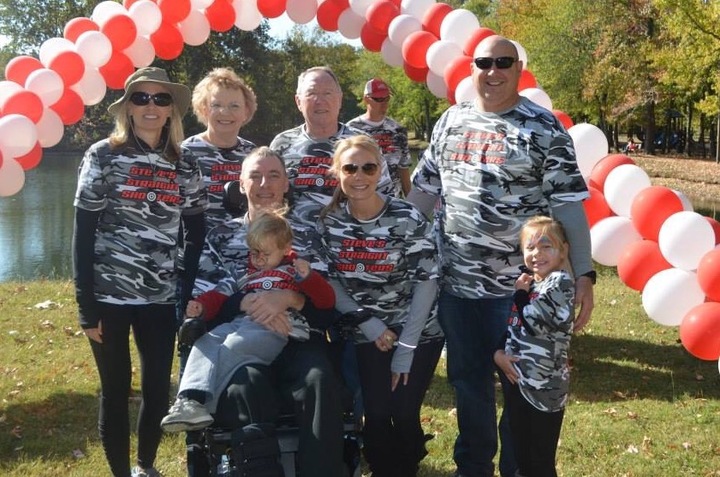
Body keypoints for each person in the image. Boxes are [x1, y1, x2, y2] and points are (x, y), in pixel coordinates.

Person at [406, 35, 595, 477]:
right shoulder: (450, 121)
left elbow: (568, 205)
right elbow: (423, 194)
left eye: (503, 62)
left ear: (518, 68)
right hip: (457, 288)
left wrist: (583, 273)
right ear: (472, 68)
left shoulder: (543, 126)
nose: (493, 72)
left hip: (520, 293)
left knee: (520, 391)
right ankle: (473, 468)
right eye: (484, 62)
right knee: (468, 386)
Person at [72, 67, 207, 477]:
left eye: (160, 99)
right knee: (114, 391)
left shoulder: (185, 164)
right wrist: (85, 305)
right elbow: (82, 232)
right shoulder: (103, 155)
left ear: (172, 111)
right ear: (127, 108)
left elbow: (196, 230)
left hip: (159, 299)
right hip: (108, 298)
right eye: (141, 98)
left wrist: (182, 288)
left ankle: (145, 466)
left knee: (155, 389)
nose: (151, 107)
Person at [186, 146, 348, 477]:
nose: (265, 183)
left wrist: (291, 299)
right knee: (246, 385)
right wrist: (242, 302)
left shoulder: (307, 235)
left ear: (287, 183)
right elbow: (203, 306)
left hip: (298, 337)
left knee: (319, 379)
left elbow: (328, 309)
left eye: (274, 175)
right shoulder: (220, 237)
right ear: (241, 185)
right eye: (255, 176)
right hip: (241, 338)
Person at [318, 135, 444, 477]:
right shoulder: (329, 224)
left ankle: (408, 463)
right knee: (374, 415)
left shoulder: (407, 216)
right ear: (337, 173)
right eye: (350, 168)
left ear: (381, 170)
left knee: (402, 413)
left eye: (368, 167)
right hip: (368, 331)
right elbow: (330, 282)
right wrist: (368, 323)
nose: (359, 175)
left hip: (419, 329)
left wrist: (405, 347)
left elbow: (427, 281)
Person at [161, 209, 335, 433]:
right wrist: (202, 305)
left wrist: (309, 279)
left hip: (275, 327)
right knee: (206, 343)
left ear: (285, 249)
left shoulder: (293, 273)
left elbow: (326, 301)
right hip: (239, 323)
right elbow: (220, 296)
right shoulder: (242, 273)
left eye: (266, 253)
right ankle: (188, 399)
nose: (259, 259)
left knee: (234, 345)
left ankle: (204, 404)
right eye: (254, 252)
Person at [493, 216, 575, 477]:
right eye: (530, 247)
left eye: (546, 246)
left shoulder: (559, 284)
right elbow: (513, 326)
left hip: (545, 389)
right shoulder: (533, 284)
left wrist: (519, 294)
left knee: (540, 460)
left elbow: (534, 321)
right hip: (519, 384)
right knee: (522, 455)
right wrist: (498, 354)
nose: (537, 253)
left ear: (563, 251)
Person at [269, 65, 393, 228]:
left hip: (349, 244)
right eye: (312, 93)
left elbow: (384, 196)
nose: (320, 101)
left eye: (327, 93)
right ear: (298, 102)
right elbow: (269, 201)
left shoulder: (363, 144)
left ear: (340, 99)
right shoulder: (282, 144)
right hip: (295, 247)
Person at [183, 67, 258, 229]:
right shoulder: (185, 153)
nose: (225, 112)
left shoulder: (253, 156)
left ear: (246, 111)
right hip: (198, 249)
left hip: (244, 247)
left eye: (234, 106)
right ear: (204, 109)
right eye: (216, 105)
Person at [347, 78, 412, 197]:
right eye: (379, 99)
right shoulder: (350, 130)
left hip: (393, 202)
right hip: (361, 200)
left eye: (387, 99)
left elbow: (404, 170)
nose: (384, 104)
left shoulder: (398, 130)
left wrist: (413, 205)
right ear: (366, 99)